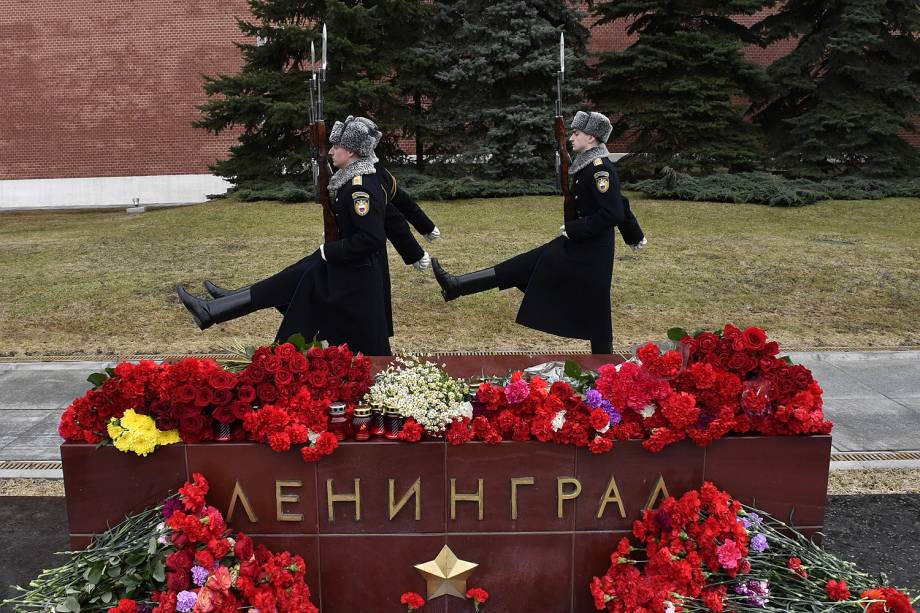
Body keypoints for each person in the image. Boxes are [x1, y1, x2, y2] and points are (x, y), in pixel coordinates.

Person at [432, 110, 647, 354]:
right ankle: (457, 285)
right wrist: (635, 235)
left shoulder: (600, 169)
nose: (572, 138)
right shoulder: (587, 166)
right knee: (525, 265)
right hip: (580, 244)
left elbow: (614, 211)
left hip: (591, 251)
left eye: (577, 134)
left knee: (596, 307)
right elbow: (620, 203)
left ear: (592, 139)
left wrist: (577, 228)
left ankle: (603, 361)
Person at [176, 117, 393, 355]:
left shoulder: (358, 186)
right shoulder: (351, 180)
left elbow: (371, 238)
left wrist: (328, 251)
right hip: (350, 266)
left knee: (303, 275)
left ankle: (221, 306)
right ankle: (222, 304)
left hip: (356, 276)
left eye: (336, 147)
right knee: (297, 273)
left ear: (350, 151)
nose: (331, 151)